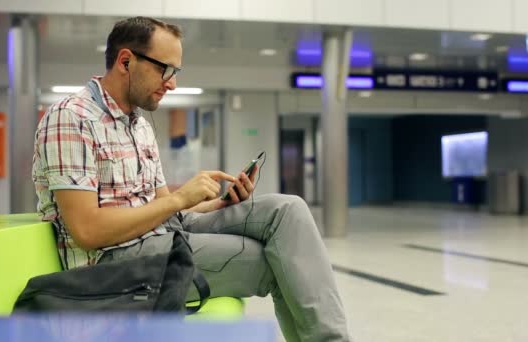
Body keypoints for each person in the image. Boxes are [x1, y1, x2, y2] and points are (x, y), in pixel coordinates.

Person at [32, 16, 350, 342]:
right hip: (114, 264)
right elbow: (88, 230)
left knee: (288, 209)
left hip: (160, 233)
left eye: (175, 73)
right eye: (164, 69)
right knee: (275, 262)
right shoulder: (72, 118)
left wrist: (218, 203)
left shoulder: (138, 125)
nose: (171, 84)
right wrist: (180, 198)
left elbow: (161, 209)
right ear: (126, 61)